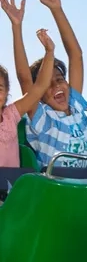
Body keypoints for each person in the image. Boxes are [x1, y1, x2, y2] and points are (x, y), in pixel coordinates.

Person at [0, 0, 87, 172]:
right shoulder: (43, 118)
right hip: (57, 183)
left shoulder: (76, 106)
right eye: (48, 84)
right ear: (40, 95)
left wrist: (56, 9)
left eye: (60, 80)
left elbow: (76, 55)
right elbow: (25, 79)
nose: (56, 85)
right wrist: (17, 27)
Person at [0, 28, 56, 172]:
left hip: (11, 183)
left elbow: (40, 87)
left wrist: (49, 52)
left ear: (7, 92)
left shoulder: (10, 115)